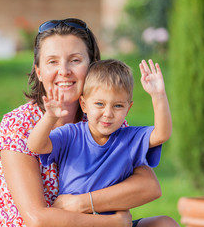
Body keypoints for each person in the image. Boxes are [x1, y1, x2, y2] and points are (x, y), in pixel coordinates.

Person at [0, 18, 179, 227]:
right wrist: (114, 223)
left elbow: (149, 187)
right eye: (52, 61)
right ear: (39, 71)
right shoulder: (18, 125)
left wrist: (81, 203)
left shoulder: (102, 120)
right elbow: (37, 219)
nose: (64, 71)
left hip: (98, 221)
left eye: (75, 60)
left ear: (92, 67)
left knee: (164, 224)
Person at [28, 58, 173, 216]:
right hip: (73, 221)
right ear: (84, 105)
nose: (108, 114)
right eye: (99, 104)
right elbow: (35, 146)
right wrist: (49, 117)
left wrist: (158, 96)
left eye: (118, 106)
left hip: (109, 223)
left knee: (165, 222)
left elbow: (161, 134)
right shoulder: (70, 134)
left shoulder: (129, 139)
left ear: (128, 109)